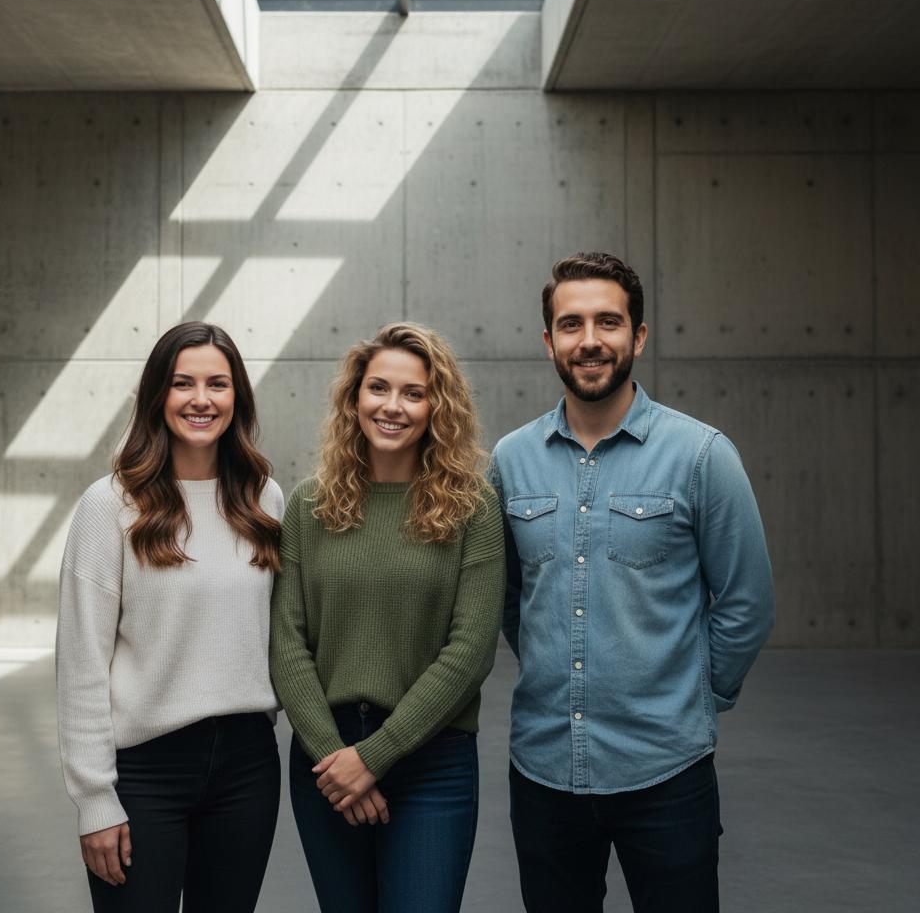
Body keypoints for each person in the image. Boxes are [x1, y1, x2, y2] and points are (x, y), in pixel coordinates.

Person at [488, 253, 775, 913]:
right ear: (549, 341)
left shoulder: (702, 455)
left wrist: (698, 697)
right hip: (544, 769)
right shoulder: (511, 459)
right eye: (571, 324)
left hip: (666, 772)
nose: (589, 340)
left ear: (638, 336)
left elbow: (746, 600)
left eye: (608, 322)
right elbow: (509, 597)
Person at [270, 322, 506, 913]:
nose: (392, 406)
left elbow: (471, 650)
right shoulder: (310, 505)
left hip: (432, 759)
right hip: (325, 756)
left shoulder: (473, 509)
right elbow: (287, 642)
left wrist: (372, 758)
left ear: (437, 407)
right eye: (378, 388)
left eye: (414, 393)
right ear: (354, 398)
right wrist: (336, 761)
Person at [56, 321, 284, 913]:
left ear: (239, 397)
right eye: (183, 383)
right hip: (143, 773)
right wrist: (94, 799)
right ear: (157, 395)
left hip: (247, 766)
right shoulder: (108, 506)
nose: (201, 400)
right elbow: (81, 664)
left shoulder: (265, 501)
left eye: (218, 383)